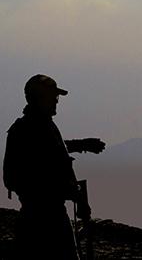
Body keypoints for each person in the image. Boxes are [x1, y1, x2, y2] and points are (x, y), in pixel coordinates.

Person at [3, 74, 106, 260]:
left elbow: (51, 151)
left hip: (41, 217)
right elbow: (38, 163)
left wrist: (81, 145)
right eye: (53, 97)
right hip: (44, 219)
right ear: (40, 98)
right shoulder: (32, 129)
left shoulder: (39, 127)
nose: (56, 102)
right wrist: (66, 192)